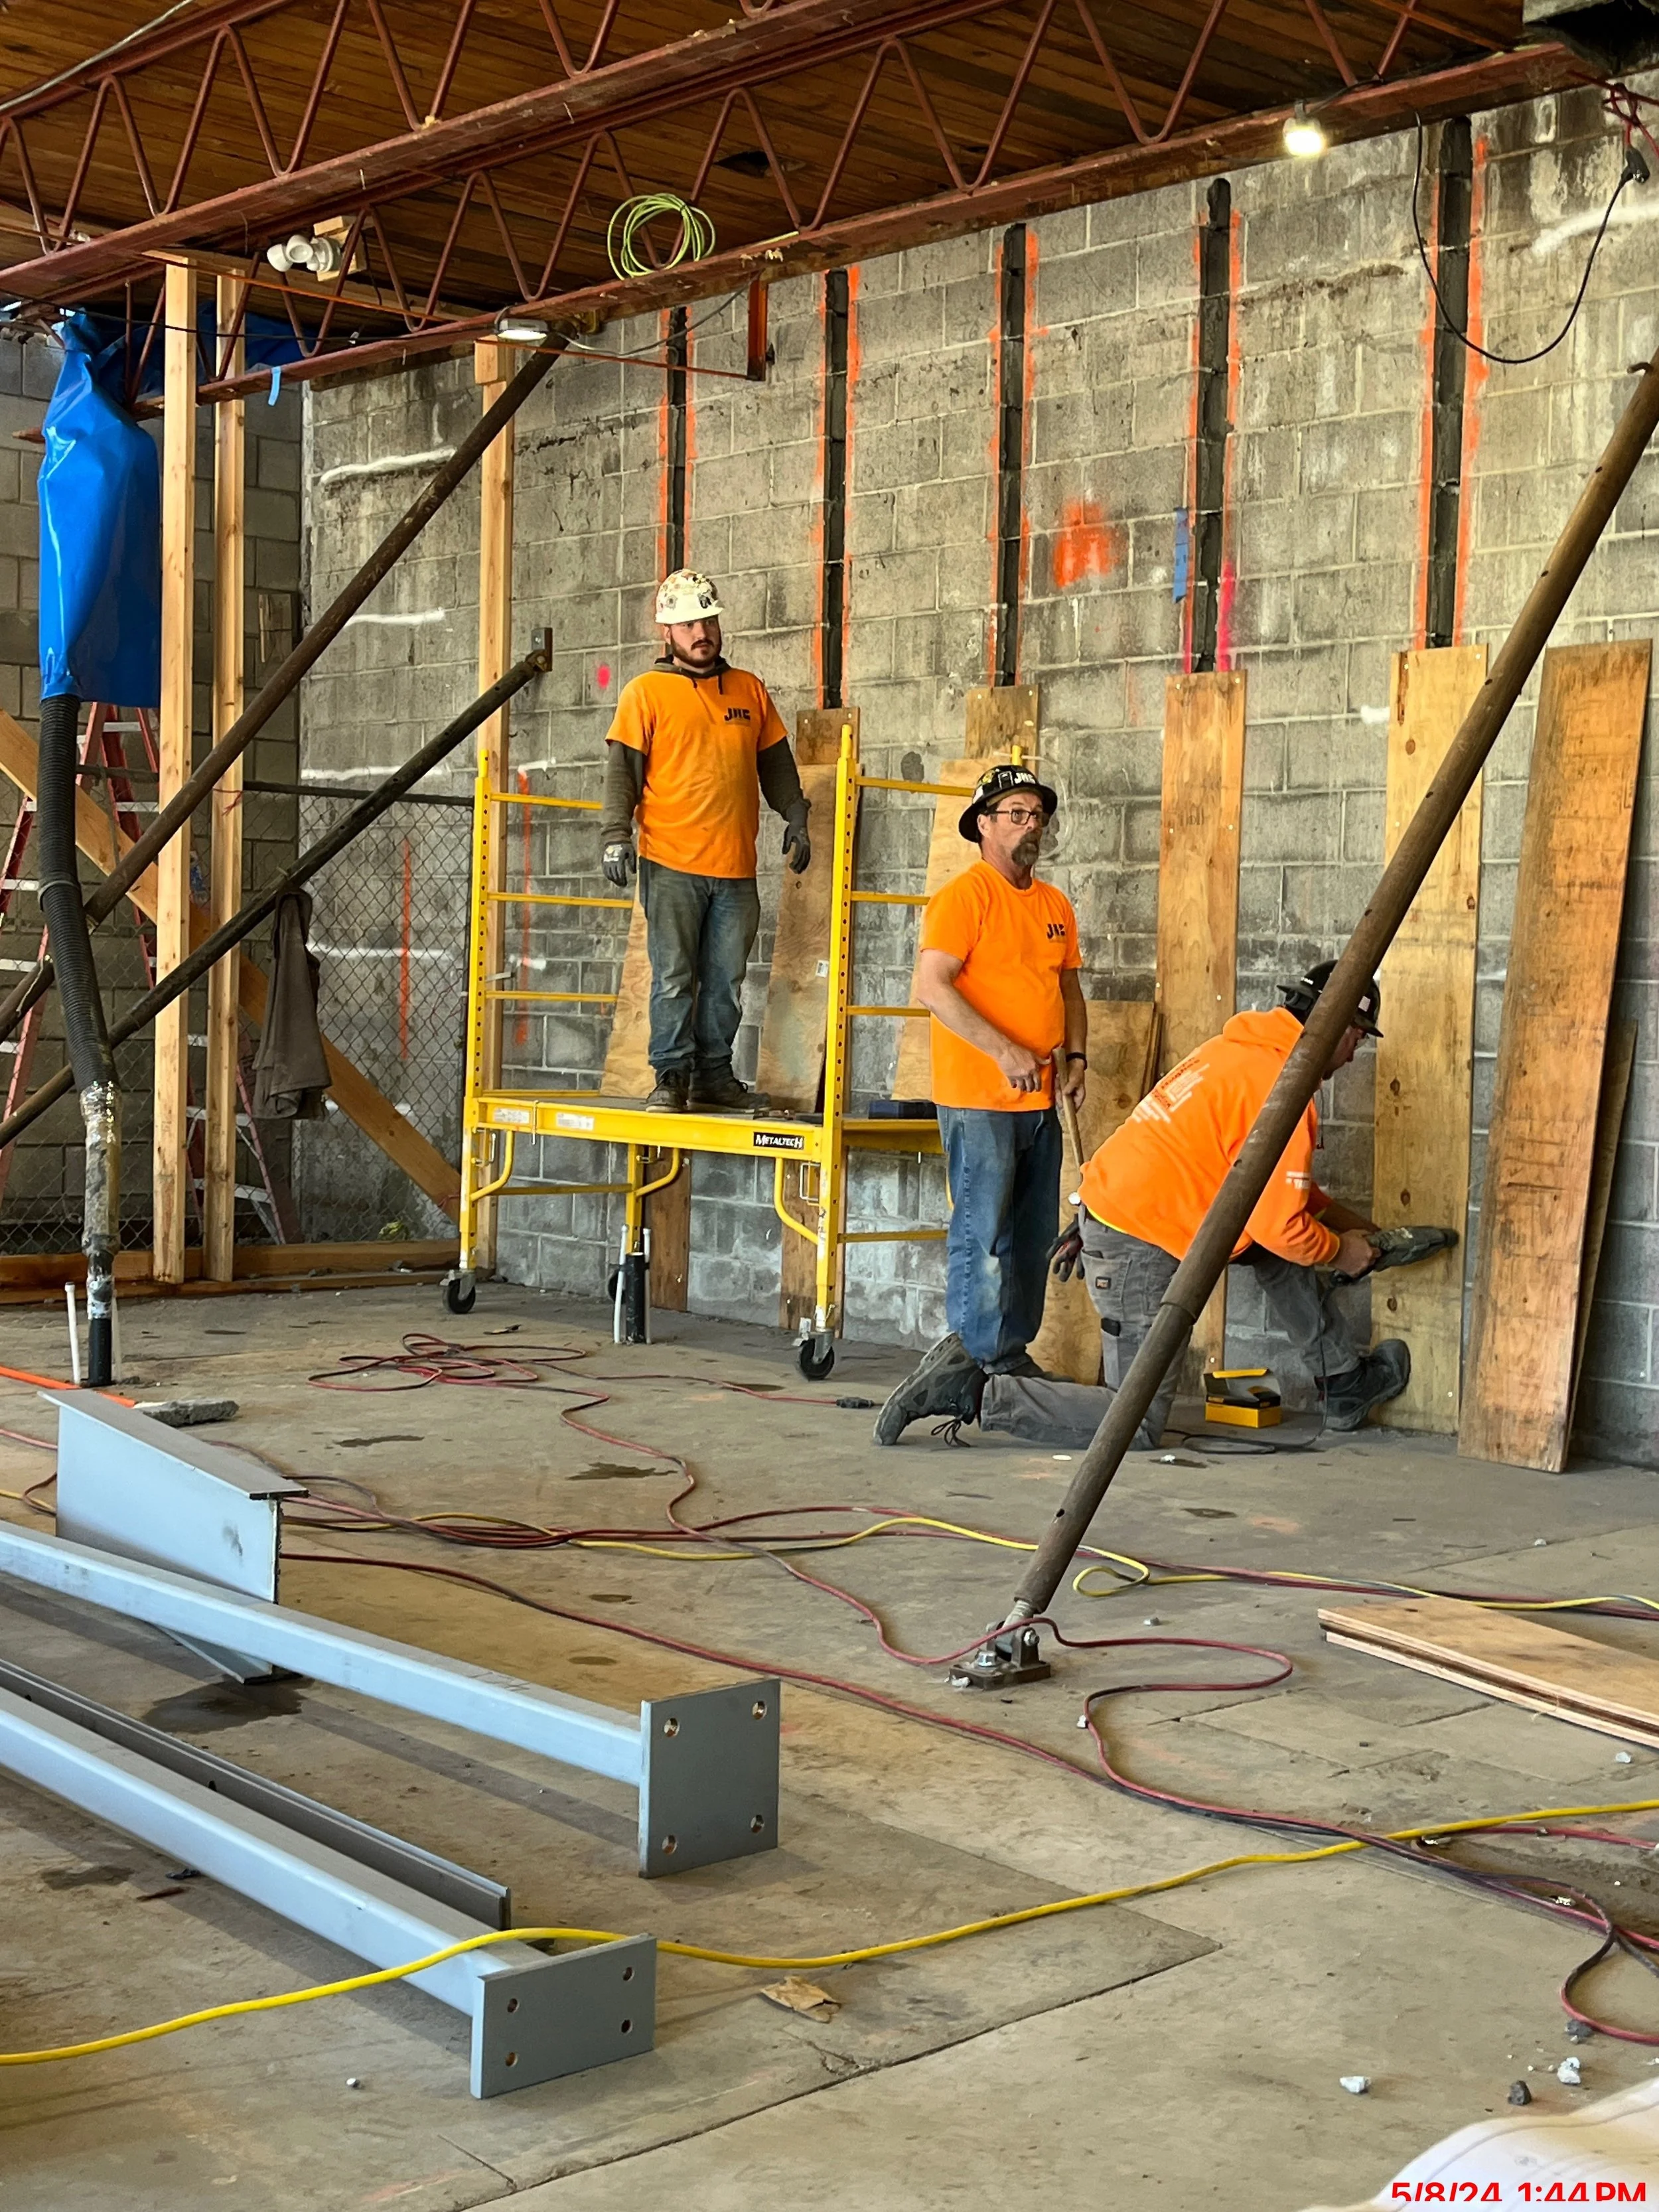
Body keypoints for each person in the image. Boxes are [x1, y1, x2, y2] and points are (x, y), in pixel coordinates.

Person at [873, 958, 1456, 1449]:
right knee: (1136, 1419)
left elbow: (1274, 1193)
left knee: (1264, 1252)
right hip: (1137, 1244)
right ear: (1342, 1028)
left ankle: (1343, 1381)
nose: (1355, 1055)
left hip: (1125, 1214)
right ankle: (974, 1391)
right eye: (1358, 1038)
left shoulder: (1242, 1052)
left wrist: (1359, 1230)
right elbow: (1284, 1224)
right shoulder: (1284, 1089)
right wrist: (1341, 1251)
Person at [873, 762, 1086, 1444]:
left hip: (1040, 1099)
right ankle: (974, 1361)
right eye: (1016, 814)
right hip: (980, 1099)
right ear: (984, 825)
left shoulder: (1054, 906)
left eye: (1037, 816)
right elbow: (932, 988)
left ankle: (1008, 1356)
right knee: (983, 1235)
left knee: (1028, 1236)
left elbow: (1070, 992)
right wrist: (1001, 1050)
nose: (1030, 826)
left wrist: (1075, 1059)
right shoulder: (965, 898)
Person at [601, 569, 810, 1113]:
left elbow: (776, 764)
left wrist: (797, 815)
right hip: (670, 864)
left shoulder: (749, 690)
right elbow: (622, 772)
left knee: (725, 981)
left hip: (736, 870)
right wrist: (615, 835)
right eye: (690, 623)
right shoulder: (644, 694)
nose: (703, 632)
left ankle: (715, 1076)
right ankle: (671, 1076)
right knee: (674, 977)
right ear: (667, 633)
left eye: (709, 620)